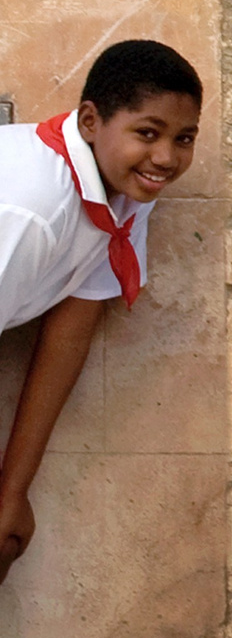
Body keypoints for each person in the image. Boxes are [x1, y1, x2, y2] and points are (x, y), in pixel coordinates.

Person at [0, 40, 203, 587]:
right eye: (148, 133)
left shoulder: (124, 189)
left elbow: (69, 333)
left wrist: (12, 492)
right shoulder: (31, 207)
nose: (166, 157)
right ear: (91, 121)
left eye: (184, 139)